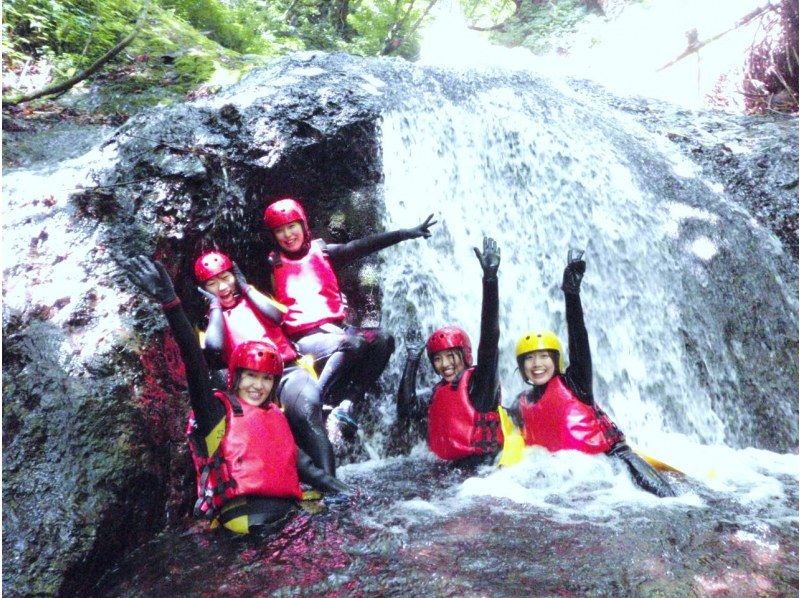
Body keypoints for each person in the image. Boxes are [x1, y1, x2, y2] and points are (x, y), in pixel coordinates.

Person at [123, 255, 348, 535]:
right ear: (235, 379)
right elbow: (194, 359)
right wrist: (171, 302)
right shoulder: (215, 411)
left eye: (267, 379)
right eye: (251, 376)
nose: (258, 386)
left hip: (289, 522)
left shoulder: (275, 417)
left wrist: (347, 496)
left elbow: (311, 472)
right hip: (248, 529)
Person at [509, 249, 676, 498]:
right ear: (522, 368)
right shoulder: (520, 405)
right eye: (529, 359)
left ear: (556, 361)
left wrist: (571, 294)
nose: (537, 364)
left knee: (672, 504)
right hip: (572, 482)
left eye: (544, 356)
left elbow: (579, 340)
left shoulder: (575, 383)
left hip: (616, 465)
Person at [263, 198, 436, 410]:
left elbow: (361, 246)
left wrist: (403, 234)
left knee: (382, 340)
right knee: (352, 343)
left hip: (336, 331)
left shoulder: (323, 251)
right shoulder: (272, 264)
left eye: (292, 226)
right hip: (304, 339)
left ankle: (348, 403)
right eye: (280, 230)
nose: (288, 235)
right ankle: (315, 401)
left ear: (303, 225)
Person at [193, 250, 337, 477]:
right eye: (212, 284)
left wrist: (246, 287)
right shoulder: (209, 320)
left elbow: (278, 316)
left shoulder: (255, 299)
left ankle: (331, 484)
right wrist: (214, 306)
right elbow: (214, 346)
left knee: (306, 412)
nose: (222, 288)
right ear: (203, 290)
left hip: (287, 372)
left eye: (226, 278)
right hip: (249, 386)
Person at [396, 237, 504, 465]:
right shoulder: (437, 393)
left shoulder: (480, 386)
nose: (444, 364)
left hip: (482, 473)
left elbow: (489, 340)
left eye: (450, 356)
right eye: (437, 359)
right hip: (449, 478)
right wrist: (413, 359)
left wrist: (490, 280)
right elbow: (406, 410)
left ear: (464, 355)